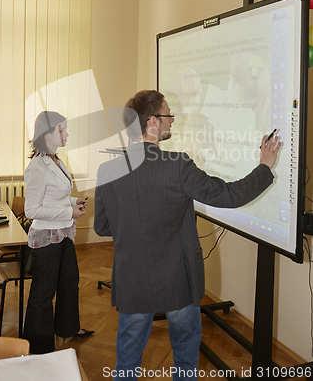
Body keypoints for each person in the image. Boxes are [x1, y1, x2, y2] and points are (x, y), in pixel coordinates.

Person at [94, 90, 281, 380]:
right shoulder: (177, 165)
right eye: (168, 114)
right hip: (177, 280)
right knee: (184, 357)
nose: (172, 119)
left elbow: (103, 227)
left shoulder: (107, 170)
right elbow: (229, 195)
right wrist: (265, 166)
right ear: (153, 122)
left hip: (132, 280)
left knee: (127, 360)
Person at [23, 110, 93, 354]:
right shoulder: (37, 167)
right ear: (47, 133)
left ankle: (67, 328)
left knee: (69, 283)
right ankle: (38, 347)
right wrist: (68, 213)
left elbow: (57, 196)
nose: (67, 133)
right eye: (62, 129)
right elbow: (32, 209)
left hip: (63, 234)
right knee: (43, 296)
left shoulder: (56, 160)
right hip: (46, 239)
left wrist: (73, 202)